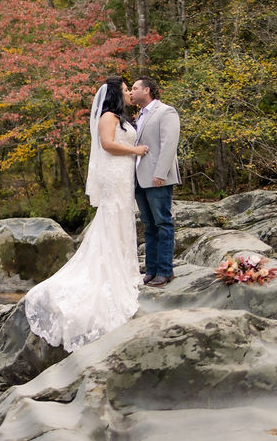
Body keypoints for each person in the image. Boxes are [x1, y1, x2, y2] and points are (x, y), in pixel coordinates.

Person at [23, 76, 149, 353]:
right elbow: (107, 145)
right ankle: (111, 269)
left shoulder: (121, 116)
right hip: (114, 173)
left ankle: (125, 267)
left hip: (123, 174)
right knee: (113, 216)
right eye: (126, 90)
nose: (129, 93)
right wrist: (135, 149)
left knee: (122, 217)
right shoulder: (107, 116)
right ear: (116, 93)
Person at [131, 76, 181, 287]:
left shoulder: (166, 112)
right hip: (139, 179)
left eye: (134, 88)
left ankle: (165, 271)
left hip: (157, 178)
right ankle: (151, 270)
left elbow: (169, 144)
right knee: (149, 226)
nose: (131, 92)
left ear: (147, 90)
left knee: (163, 223)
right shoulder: (140, 115)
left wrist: (160, 173)